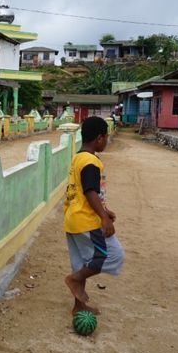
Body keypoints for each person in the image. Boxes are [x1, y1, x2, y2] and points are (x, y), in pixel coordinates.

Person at [63, 116, 125, 316]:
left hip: (72, 218)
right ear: (99, 138)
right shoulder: (91, 161)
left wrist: (105, 211)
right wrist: (103, 218)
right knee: (109, 255)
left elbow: (83, 190)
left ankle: (78, 305)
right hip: (86, 221)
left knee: (81, 262)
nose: (105, 141)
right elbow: (90, 190)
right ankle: (74, 280)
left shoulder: (78, 157)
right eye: (105, 137)